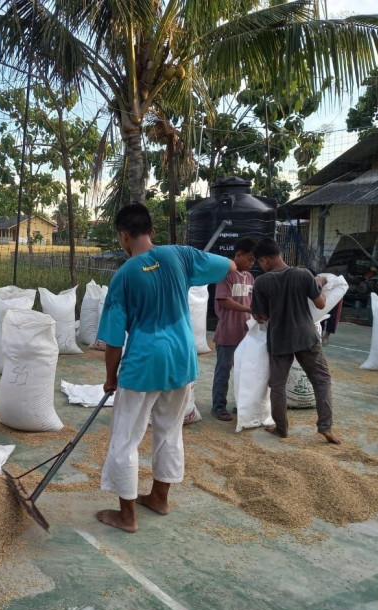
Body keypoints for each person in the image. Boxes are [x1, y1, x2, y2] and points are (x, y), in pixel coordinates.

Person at [96, 203, 235, 533]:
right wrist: (181, 267)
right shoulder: (181, 255)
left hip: (144, 363)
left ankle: (126, 515)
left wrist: (110, 379)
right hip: (181, 359)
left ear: (123, 236)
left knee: (125, 437)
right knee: (170, 431)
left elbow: (114, 340)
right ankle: (159, 498)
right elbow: (228, 265)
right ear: (152, 231)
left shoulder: (125, 275)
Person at [249, 238, 341, 445]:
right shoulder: (303, 274)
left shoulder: (262, 282)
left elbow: (259, 316)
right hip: (306, 337)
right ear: (279, 253)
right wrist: (319, 285)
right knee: (322, 380)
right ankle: (325, 427)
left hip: (279, 340)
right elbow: (320, 304)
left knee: (278, 385)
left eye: (259, 262)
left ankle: (281, 428)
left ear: (264, 260)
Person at [211, 237, 256, 421]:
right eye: (250, 259)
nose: (252, 263)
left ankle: (241, 403)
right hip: (228, 333)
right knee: (224, 370)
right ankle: (218, 406)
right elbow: (224, 299)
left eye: (254, 260)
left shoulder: (250, 277)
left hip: (246, 333)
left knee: (244, 371)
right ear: (238, 255)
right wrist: (248, 309)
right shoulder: (226, 275)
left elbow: (252, 301)